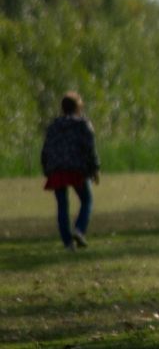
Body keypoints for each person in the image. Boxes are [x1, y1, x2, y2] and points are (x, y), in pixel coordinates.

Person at [40, 92, 100, 251]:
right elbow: (90, 148)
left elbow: (45, 149)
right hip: (77, 169)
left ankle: (68, 243)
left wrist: (46, 168)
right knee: (87, 200)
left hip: (56, 169)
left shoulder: (54, 126)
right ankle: (79, 229)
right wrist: (94, 168)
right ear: (78, 107)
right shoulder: (83, 124)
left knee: (62, 205)